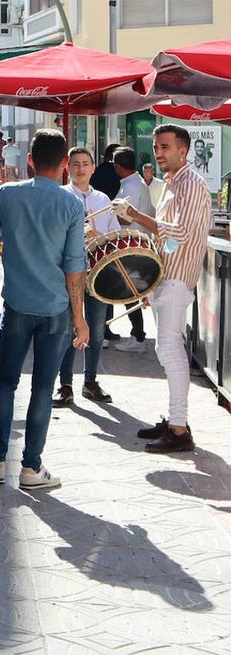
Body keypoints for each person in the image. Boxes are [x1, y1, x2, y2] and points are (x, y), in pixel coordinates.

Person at [0, 129, 88, 490]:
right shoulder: (72, 204)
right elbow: (75, 266)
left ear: (29, 160)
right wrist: (80, 318)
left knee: (5, 382)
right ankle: (31, 468)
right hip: (56, 307)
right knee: (43, 388)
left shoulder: (5, 194)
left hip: (16, 304)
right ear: (63, 166)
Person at [112, 124, 214, 453]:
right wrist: (148, 278)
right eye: (156, 146)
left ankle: (179, 429)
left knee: (170, 350)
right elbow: (166, 241)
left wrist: (137, 215)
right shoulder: (173, 183)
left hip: (177, 280)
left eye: (165, 147)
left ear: (182, 150)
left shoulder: (191, 184)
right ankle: (175, 420)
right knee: (165, 351)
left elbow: (179, 234)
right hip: (166, 277)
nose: (158, 152)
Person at [53, 147, 121, 409]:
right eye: (75, 164)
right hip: (68, 274)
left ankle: (90, 381)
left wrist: (99, 238)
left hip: (98, 273)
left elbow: (113, 234)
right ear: (67, 168)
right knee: (70, 328)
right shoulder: (60, 196)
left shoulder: (103, 199)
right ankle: (66, 384)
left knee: (96, 327)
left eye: (85, 164)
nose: (80, 169)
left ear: (94, 168)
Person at [112, 147, 155, 353]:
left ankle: (138, 337)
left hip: (132, 244)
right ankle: (137, 335)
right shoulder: (136, 184)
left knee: (130, 292)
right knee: (131, 292)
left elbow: (125, 217)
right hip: (136, 242)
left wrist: (108, 214)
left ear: (118, 166)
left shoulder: (132, 187)